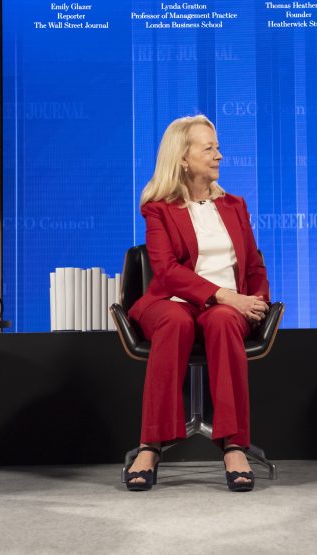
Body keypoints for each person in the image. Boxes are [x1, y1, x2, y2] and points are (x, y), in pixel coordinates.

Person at [123, 115, 270, 492]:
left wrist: (255, 301)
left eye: (218, 147)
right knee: (175, 321)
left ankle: (234, 445)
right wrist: (224, 294)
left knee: (222, 320)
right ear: (183, 158)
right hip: (172, 300)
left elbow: (253, 265)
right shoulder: (158, 207)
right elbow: (166, 270)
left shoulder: (235, 205)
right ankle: (150, 445)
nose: (219, 155)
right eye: (209, 148)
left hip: (227, 309)